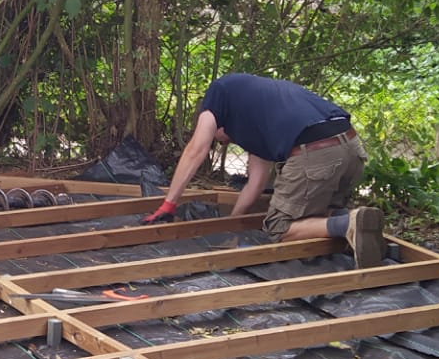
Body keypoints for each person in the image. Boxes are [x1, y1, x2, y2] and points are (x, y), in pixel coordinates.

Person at [145, 71, 383, 266]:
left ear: (214, 120)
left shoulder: (218, 94)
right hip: (351, 147)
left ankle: (348, 223)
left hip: (315, 152)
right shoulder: (257, 108)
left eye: (221, 139)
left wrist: (169, 204)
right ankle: (360, 222)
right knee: (316, 216)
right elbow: (256, 182)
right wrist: (233, 224)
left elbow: (195, 150)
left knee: (279, 228)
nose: (227, 141)